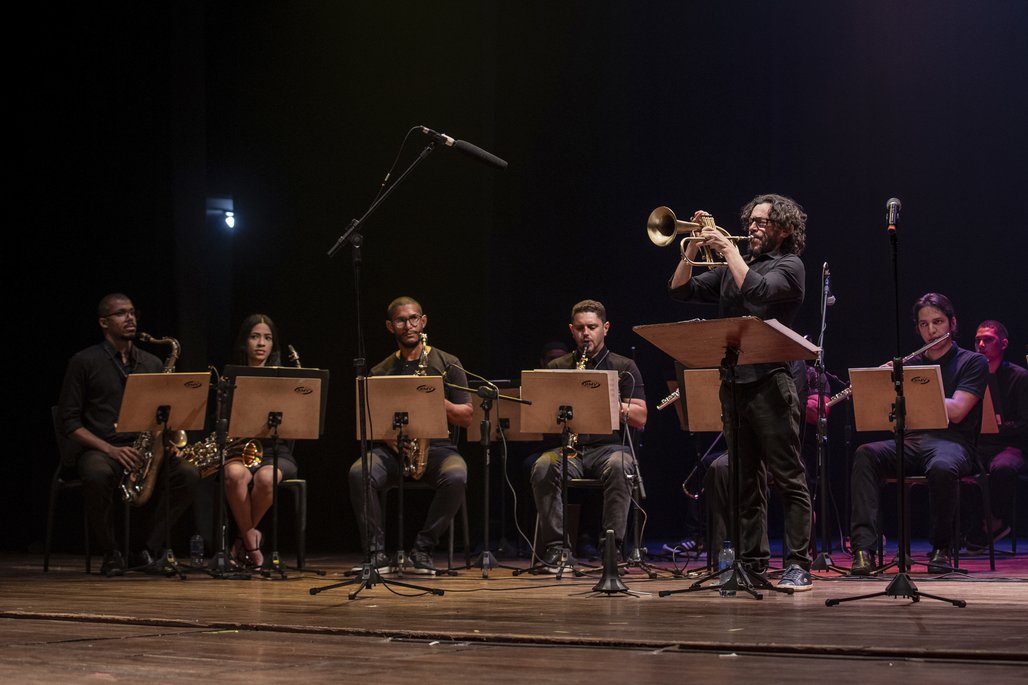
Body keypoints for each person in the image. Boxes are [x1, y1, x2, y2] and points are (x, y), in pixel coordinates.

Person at [668, 193, 813, 591]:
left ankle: (799, 564)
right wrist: (695, 246)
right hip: (733, 383)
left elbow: (759, 292)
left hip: (772, 382)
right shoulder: (738, 263)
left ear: (784, 229)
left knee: (788, 477)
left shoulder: (790, 266)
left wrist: (728, 250)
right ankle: (752, 562)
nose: (752, 226)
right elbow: (680, 290)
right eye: (751, 220)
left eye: (762, 222)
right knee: (744, 480)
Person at [57, 293, 200, 575]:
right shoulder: (84, 361)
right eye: (121, 313)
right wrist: (110, 450)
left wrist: (168, 443)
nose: (130, 318)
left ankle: (144, 549)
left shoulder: (152, 363)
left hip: (144, 448)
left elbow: (167, 415)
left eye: (132, 312)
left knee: (188, 474)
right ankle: (111, 552)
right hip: (103, 448)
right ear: (104, 322)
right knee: (97, 474)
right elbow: (68, 422)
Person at [849, 293, 989, 575]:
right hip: (912, 442)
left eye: (938, 322)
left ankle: (941, 548)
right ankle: (864, 549)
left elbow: (958, 410)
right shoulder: (908, 366)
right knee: (866, 454)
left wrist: (910, 387)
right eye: (924, 325)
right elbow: (891, 419)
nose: (932, 330)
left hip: (953, 444)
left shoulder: (973, 362)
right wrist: (880, 388)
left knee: (941, 466)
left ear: (952, 322)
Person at [347, 297, 472, 574]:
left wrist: (433, 399)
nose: (409, 325)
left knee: (457, 475)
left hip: (438, 448)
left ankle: (423, 549)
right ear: (391, 326)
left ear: (423, 321)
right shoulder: (380, 371)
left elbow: (466, 415)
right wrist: (387, 436)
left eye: (414, 318)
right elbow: (368, 421)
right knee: (360, 471)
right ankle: (375, 553)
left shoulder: (448, 363)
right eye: (401, 320)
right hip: (393, 449)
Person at [530, 299, 647, 571]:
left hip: (609, 448)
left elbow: (641, 415)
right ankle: (557, 549)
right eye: (580, 328)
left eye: (592, 327)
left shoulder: (624, 366)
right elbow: (540, 416)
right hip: (571, 448)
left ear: (605, 328)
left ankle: (610, 549)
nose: (586, 334)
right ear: (572, 330)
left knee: (622, 466)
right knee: (543, 466)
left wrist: (602, 402)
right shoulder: (558, 366)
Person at [223, 314, 299, 569]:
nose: (261, 343)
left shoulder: (283, 379)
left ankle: (241, 540)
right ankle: (251, 540)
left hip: (275, 452)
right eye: (255, 336)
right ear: (245, 341)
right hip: (238, 450)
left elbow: (298, 422)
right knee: (235, 476)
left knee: (267, 479)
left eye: (267, 338)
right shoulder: (230, 379)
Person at [965, 320, 1027, 547]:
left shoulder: (1019, 377)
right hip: (978, 443)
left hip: (1009, 445)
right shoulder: (970, 376)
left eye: (988, 340)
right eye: (978, 340)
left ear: (1003, 344)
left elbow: (1025, 423)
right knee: (952, 465)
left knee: (1003, 467)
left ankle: (994, 522)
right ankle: (971, 526)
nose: (981, 344)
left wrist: (1000, 425)